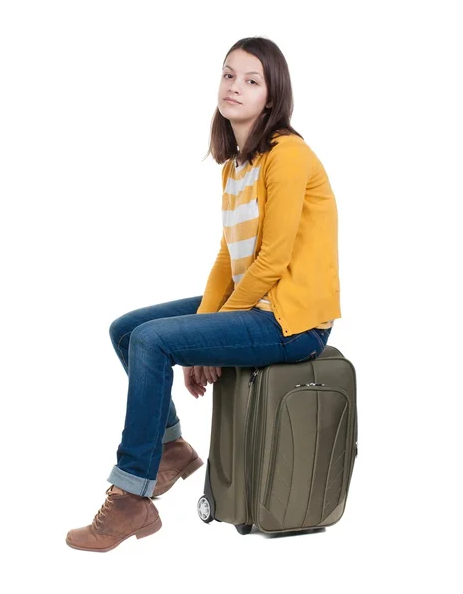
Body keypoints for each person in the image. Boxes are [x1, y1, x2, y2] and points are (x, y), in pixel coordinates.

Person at [66, 36, 341, 553]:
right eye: (228, 74)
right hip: (255, 306)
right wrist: (208, 332)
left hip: (292, 320)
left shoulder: (288, 155)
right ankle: (170, 449)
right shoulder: (238, 165)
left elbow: (272, 262)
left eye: (251, 80)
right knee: (128, 331)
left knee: (153, 342)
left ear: (273, 96)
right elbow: (227, 260)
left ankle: (130, 498)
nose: (235, 86)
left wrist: (207, 344)